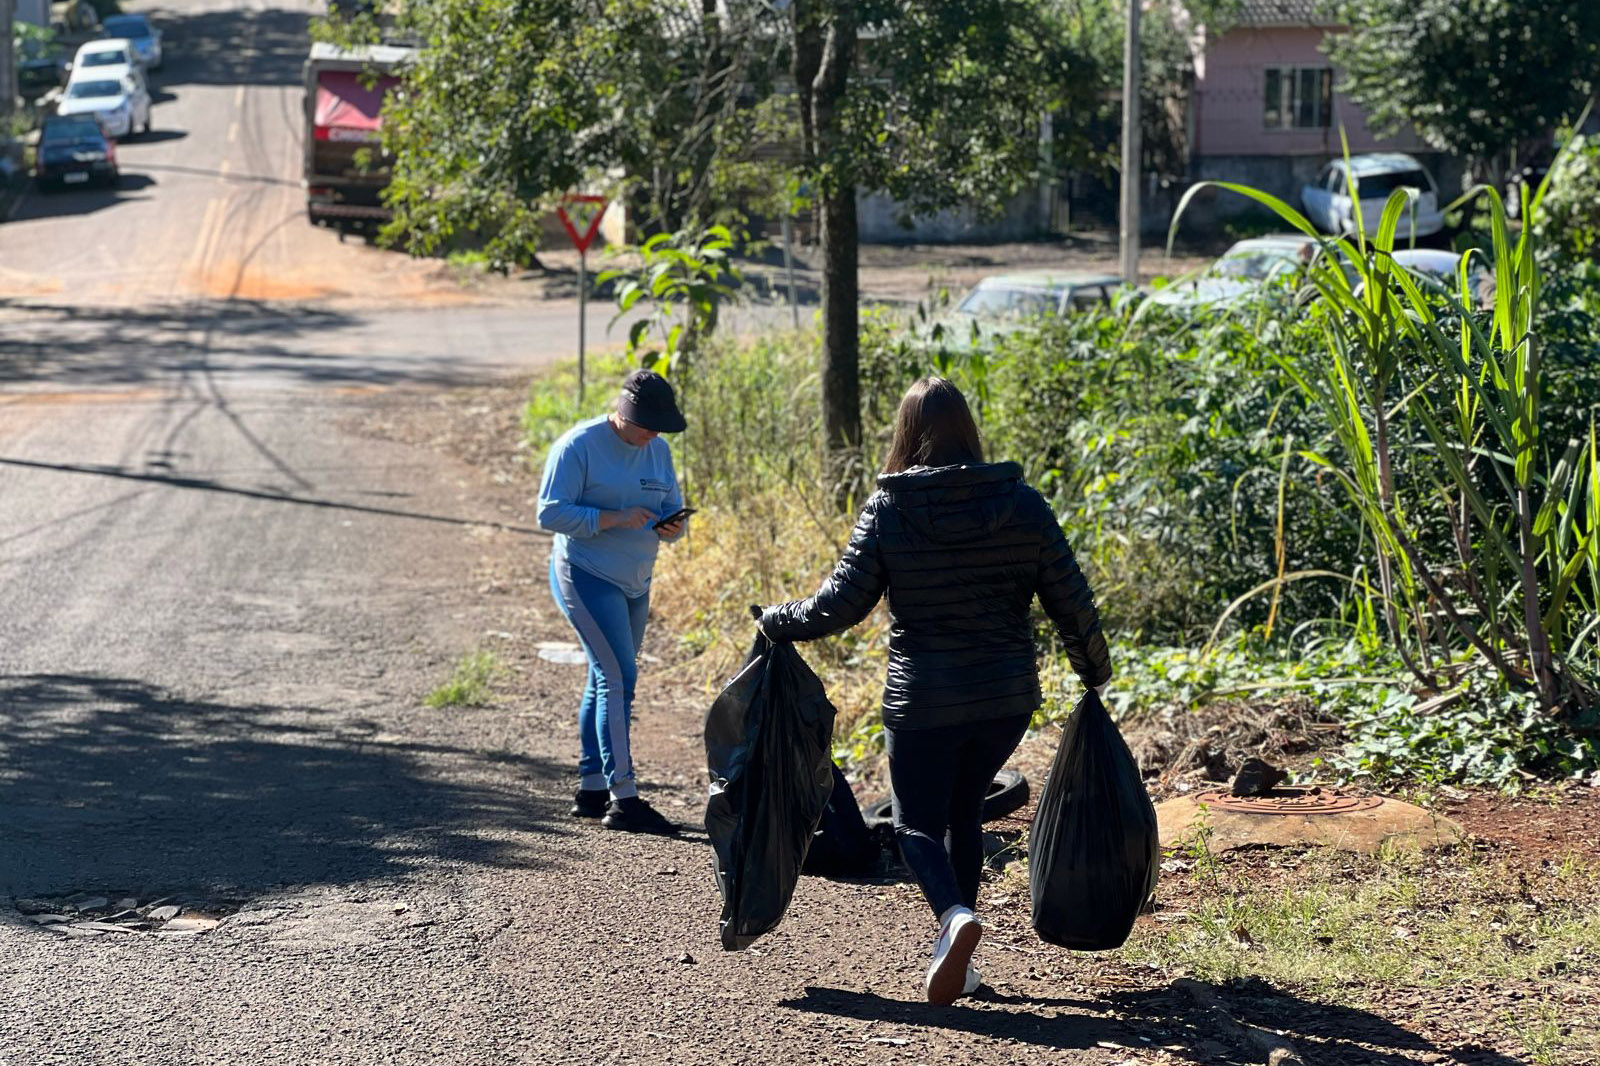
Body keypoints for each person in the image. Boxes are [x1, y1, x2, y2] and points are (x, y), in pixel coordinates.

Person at [758, 377, 1110, 1005]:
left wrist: (776, 621)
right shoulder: (1023, 504)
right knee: (964, 810)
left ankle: (952, 917)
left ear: (906, 432)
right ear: (968, 429)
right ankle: (964, 961)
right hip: (1005, 699)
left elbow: (841, 603)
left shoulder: (890, 509)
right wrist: (1093, 668)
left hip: (924, 701)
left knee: (915, 824)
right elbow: (1071, 598)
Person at [538, 369, 691, 836]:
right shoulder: (578, 445)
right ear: (622, 413)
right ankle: (624, 798)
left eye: (660, 427)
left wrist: (672, 525)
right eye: (646, 425)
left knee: (604, 676)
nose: (652, 435)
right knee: (619, 678)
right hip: (585, 574)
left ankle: (591, 788)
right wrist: (613, 518)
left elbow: (675, 514)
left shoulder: (658, 451)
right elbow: (550, 512)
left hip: (636, 580)